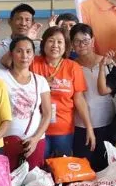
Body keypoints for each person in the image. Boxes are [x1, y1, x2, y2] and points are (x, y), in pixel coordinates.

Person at [31, 26, 95, 158]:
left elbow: (79, 99)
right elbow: (7, 62)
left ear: (66, 46)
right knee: (39, 170)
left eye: (60, 42)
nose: (55, 45)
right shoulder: (33, 62)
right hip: (35, 129)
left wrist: (89, 127)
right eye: (51, 41)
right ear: (43, 44)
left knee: (62, 170)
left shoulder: (73, 67)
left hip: (63, 130)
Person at [0, 36, 51, 171]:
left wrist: (35, 139)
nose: (24, 55)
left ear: (33, 55)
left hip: (35, 142)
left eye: (29, 51)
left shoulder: (40, 81)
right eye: (19, 51)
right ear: (11, 54)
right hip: (5, 141)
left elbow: (47, 114)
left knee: (32, 184)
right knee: (7, 181)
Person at [70, 24, 116, 171]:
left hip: (107, 123)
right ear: (72, 44)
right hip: (80, 126)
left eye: (85, 40)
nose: (82, 45)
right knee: (83, 169)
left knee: (106, 168)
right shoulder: (70, 66)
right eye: (77, 41)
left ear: (93, 41)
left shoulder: (107, 63)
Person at [0, 3, 43, 69]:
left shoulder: (38, 47)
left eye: (27, 20)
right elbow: (7, 62)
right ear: (10, 21)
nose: (23, 24)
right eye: (18, 19)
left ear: (32, 24)